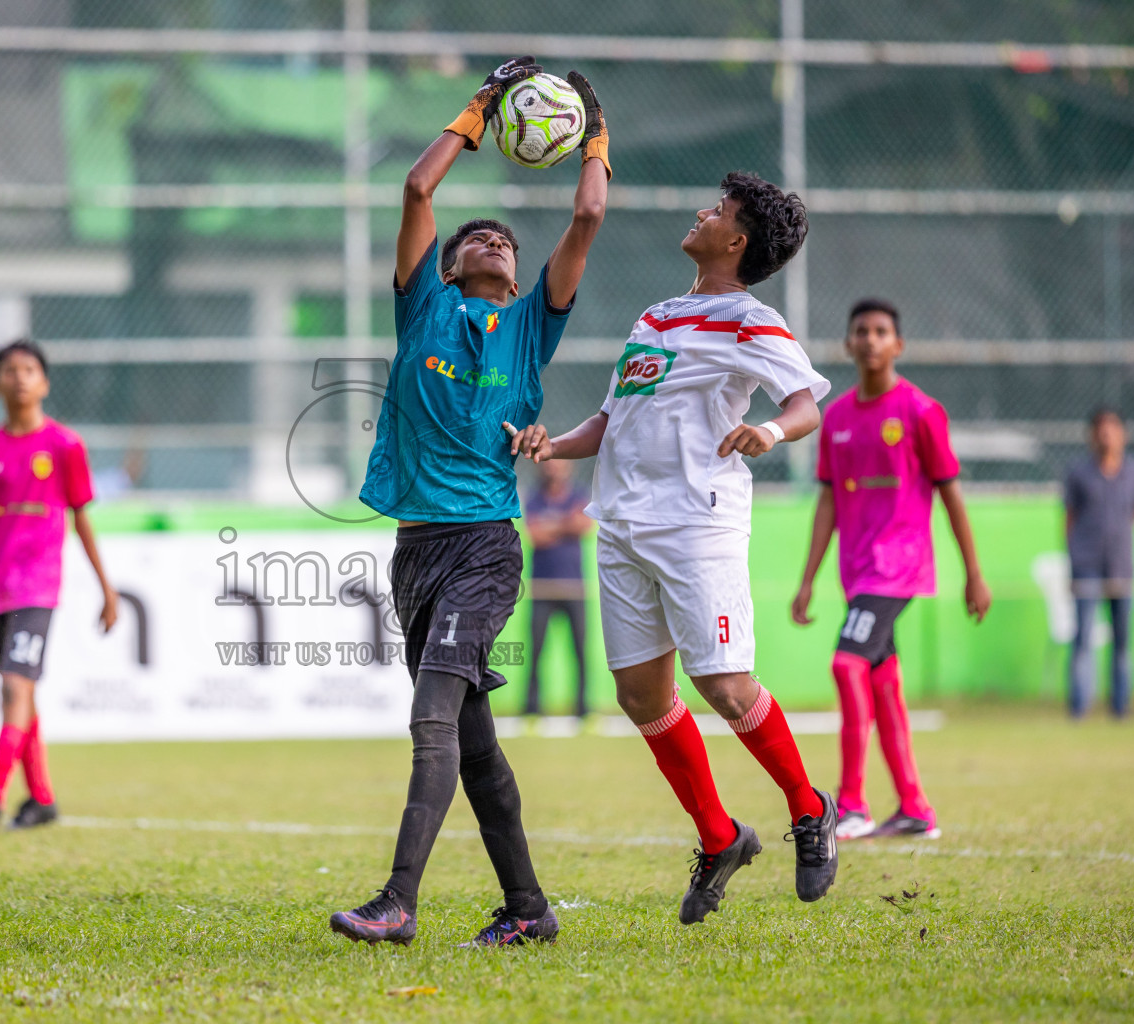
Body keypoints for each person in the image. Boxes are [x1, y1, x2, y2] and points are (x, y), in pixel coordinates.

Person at [508, 172, 840, 924]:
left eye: (717, 211)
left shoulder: (750, 320)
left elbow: (803, 405)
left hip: (697, 523)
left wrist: (771, 432)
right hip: (622, 523)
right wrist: (551, 443)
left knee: (724, 686)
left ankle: (808, 806)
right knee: (641, 698)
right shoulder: (655, 315)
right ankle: (720, 838)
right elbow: (612, 417)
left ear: (737, 240)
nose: (702, 212)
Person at [329, 57, 609, 948]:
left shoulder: (532, 322)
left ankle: (398, 902)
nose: (493, 242)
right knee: (478, 748)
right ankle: (529, 909)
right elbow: (417, 186)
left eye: (505, 243)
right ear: (449, 266)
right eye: (476, 239)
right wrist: (482, 107)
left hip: (486, 546)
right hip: (417, 551)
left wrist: (591, 126)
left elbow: (589, 212)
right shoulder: (423, 313)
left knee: (431, 716)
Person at [791, 298, 991, 841]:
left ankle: (853, 803)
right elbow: (828, 503)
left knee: (845, 664)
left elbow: (951, 495)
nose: (871, 339)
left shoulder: (921, 412)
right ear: (849, 344)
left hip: (898, 570)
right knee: (882, 684)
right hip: (857, 575)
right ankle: (914, 807)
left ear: (897, 345)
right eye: (862, 331)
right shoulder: (835, 419)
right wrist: (808, 579)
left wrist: (974, 572)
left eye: (882, 331)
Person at [0, 339, 120, 832]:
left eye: (30, 369)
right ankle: (42, 799)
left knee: (13, 686)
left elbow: (82, 517)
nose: (20, 376)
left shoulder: (65, 445)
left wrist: (106, 589)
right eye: (10, 369)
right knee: (22, 694)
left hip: (38, 587)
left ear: (44, 382)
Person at [1063, 407, 1134, 719]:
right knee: (1083, 639)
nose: (1107, 435)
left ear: (1123, 434)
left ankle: (1119, 708)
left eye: (1113, 428)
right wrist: (1071, 559)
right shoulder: (1079, 473)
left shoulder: (1133, 472)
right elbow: (1069, 519)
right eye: (1101, 429)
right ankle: (1079, 707)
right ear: (1093, 435)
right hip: (1087, 564)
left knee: (1122, 641)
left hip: (1120, 564)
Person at [522, 459, 593, 718]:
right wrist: (566, 523)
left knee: (580, 652)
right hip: (542, 588)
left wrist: (551, 524)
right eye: (550, 465)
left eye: (559, 465)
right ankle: (531, 708)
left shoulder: (579, 495)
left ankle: (582, 708)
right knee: (537, 651)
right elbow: (535, 535)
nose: (554, 469)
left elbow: (584, 526)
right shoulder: (534, 498)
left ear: (568, 469)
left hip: (574, 588)